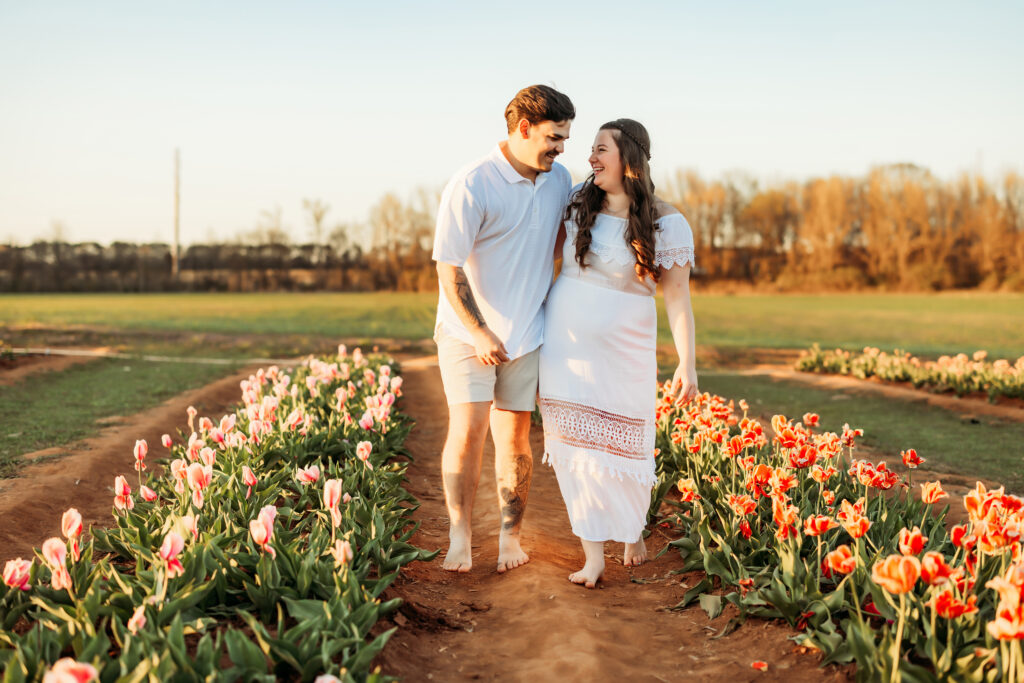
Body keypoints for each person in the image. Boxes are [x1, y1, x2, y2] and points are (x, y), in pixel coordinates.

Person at [538, 118, 698, 588]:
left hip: (626, 354)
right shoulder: (576, 204)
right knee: (575, 450)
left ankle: (631, 529)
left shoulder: (667, 222)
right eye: (591, 149)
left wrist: (687, 363)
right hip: (566, 352)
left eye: (600, 149)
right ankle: (592, 556)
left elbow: (678, 298)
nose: (590, 157)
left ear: (628, 158)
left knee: (627, 446)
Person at [432, 85, 575, 573]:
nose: (561, 149)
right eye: (554, 138)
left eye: (565, 139)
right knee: (469, 431)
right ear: (524, 129)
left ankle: (509, 538)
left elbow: (558, 242)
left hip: (526, 333)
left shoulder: (559, 180)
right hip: (466, 334)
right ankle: (460, 536)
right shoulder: (472, 183)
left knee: (515, 437)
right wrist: (478, 332)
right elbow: (448, 268)